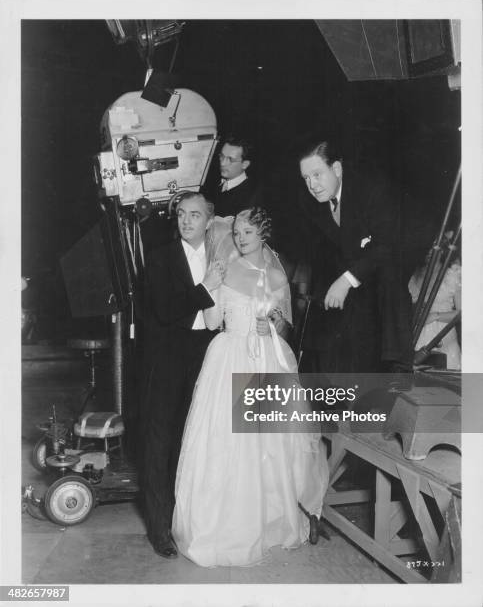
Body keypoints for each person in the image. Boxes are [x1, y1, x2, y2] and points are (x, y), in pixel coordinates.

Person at [172, 207, 328, 568]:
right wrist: (211, 283)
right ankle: (224, 523)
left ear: (263, 236)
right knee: (223, 441)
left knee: (267, 444)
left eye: (247, 234)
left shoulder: (274, 274)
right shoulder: (226, 267)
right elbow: (213, 322)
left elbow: (284, 325)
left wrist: (271, 325)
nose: (240, 240)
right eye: (237, 233)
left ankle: (268, 519)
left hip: (264, 360)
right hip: (227, 356)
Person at [141, 192, 224, 559]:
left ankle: (191, 521)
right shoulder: (160, 258)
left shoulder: (221, 256)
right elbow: (165, 308)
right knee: (160, 440)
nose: (186, 221)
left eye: (195, 215)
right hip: (168, 354)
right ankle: (160, 529)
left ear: (209, 221)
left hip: (206, 352)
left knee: (194, 439)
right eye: (182, 214)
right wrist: (205, 288)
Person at [297, 139, 412, 373]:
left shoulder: (372, 190)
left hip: (380, 300)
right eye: (306, 178)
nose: (312, 185)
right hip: (346, 308)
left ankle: (393, 372)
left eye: (317, 174)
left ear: (337, 169)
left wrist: (346, 280)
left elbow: (387, 247)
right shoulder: (312, 206)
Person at [409, 253, 461, 370]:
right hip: (418, 338)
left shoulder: (452, 274)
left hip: (443, 336)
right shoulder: (414, 276)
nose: (430, 251)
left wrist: (435, 316)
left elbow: (463, 313)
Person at [210, 134, 264, 217]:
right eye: (222, 156)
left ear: (245, 164)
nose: (222, 163)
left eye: (230, 159)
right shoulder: (214, 182)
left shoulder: (250, 198)